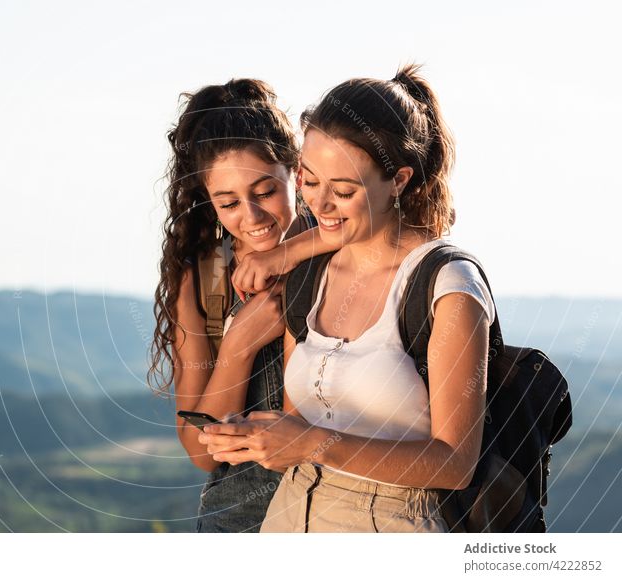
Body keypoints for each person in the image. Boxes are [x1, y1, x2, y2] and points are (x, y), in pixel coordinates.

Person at [198, 64, 497, 533]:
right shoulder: (311, 273)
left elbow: (454, 463)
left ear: (398, 180)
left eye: (342, 190)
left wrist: (316, 444)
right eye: (309, 181)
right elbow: (299, 424)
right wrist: (261, 441)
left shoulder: (447, 286)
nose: (318, 205)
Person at [147, 79, 337, 532]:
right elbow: (199, 450)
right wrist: (239, 342)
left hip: (337, 516)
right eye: (228, 202)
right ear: (209, 203)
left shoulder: (342, 247)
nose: (250, 217)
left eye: (265, 192)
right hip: (236, 525)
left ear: (297, 171)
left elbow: (399, 215)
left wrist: (287, 256)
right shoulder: (202, 279)